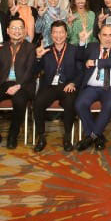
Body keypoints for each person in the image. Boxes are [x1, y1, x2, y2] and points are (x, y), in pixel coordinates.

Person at [0, 17, 38, 149]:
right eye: (13, 28)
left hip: (23, 84)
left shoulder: (30, 48)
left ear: (24, 31)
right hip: (3, 83)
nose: (17, 31)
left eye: (20, 28)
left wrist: (18, 86)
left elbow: (30, 71)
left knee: (19, 101)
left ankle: (13, 135)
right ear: (7, 30)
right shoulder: (0, 47)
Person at [32, 20, 84, 152]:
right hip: (49, 86)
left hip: (67, 86)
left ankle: (67, 137)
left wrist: (73, 83)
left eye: (61, 32)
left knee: (70, 102)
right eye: (55, 32)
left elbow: (81, 71)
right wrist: (38, 58)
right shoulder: (45, 50)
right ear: (51, 34)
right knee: (37, 102)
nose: (58, 35)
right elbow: (35, 72)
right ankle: (41, 137)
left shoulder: (74, 50)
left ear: (66, 34)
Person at [74, 24, 111, 151]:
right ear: (99, 36)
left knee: (110, 105)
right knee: (80, 104)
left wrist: (96, 62)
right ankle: (97, 136)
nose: (107, 38)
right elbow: (79, 57)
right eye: (104, 35)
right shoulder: (92, 47)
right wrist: (82, 42)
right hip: (92, 87)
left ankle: (90, 137)